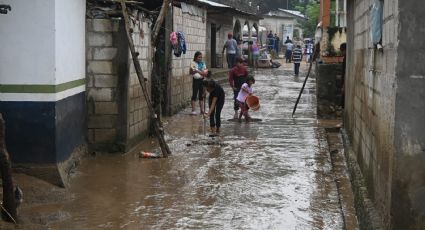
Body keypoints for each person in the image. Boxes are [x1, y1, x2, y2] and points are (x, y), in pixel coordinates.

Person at [340, 43, 347, 108]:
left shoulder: (346, 59)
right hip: (343, 82)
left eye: (341, 51)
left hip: (344, 83)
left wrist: (344, 86)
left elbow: (345, 72)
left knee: (343, 101)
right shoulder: (345, 58)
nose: (341, 53)